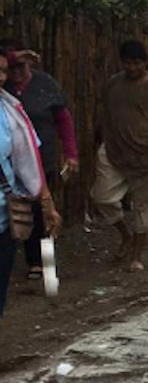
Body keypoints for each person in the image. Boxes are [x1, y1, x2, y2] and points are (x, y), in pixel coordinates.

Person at [90, 40, 148, 273]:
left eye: (137, 62)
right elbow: (105, 114)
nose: (132, 67)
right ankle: (124, 235)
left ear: (145, 62)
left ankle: (136, 257)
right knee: (102, 197)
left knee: (144, 208)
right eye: (127, 62)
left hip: (144, 154)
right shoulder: (113, 84)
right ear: (121, 62)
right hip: (114, 150)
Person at [3, 47, 79, 280]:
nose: (14, 72)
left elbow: (63, 120)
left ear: (30, 66)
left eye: (20, 67)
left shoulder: (45, 85)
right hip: (10, 170)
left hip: (40, 162)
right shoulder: (5, 94)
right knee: (16, 215)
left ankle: (43, 264)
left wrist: (71, 153)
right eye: (10, 68)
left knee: (42, 213)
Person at [0, 55, 62, 317]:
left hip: (7, 212)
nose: (3, 76)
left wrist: (47, 203)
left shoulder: (11, 112)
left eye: (3, 70)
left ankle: (45, 271)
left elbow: (27, 161)